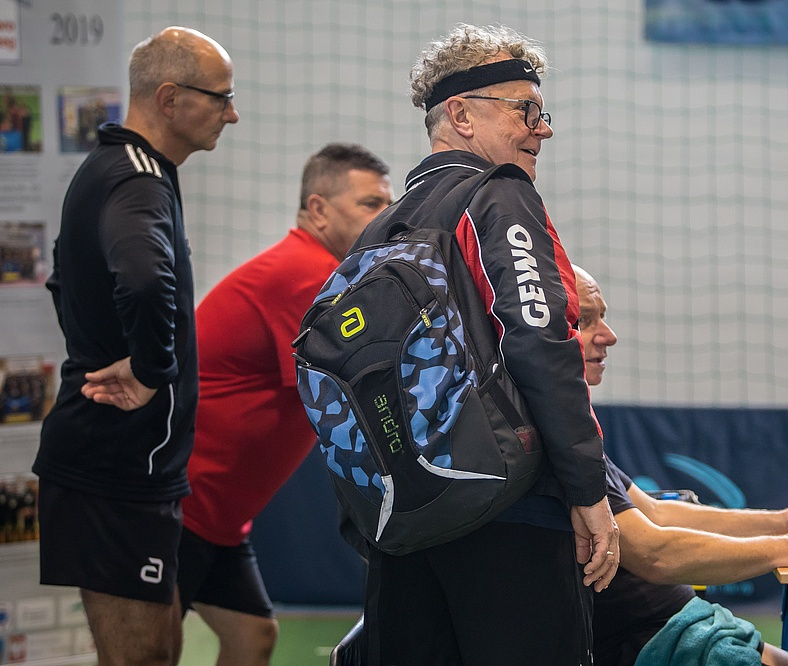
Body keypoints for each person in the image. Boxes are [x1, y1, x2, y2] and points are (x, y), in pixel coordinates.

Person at [351, 23, 619, 665]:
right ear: (462, 115)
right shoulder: (498, 193)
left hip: (406, 517)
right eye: (525, 110)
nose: (542, 129)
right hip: (507, 513)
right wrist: (588, 490)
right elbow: (540, 340)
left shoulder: (380, 227)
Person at [33, 27, 238, 666]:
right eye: (222, 97)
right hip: (115, 464)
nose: (232, 114)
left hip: (132, 465)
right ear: (170, 98)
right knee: (142, 658)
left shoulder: (122, 171)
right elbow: (144, 279)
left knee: (160, 651)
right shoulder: (136, 178)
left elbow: (64, 280)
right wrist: (151, 370)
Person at [572, 264, 788, 666]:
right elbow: (653, 553)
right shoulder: (558, 441)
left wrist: (785, 520)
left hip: (686, 625)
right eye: (585, 320)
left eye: (603, 317)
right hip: (659, 642)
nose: (609, 335)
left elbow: (656, 512)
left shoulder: (576, 429)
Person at [178, 143, 392, 665]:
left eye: (390, 204)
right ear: (318, 209)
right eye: (370, 204)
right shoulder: (306, 274)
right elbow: (362, 385)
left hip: (218, 517)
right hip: (176, 507)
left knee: (252, 638)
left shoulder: (329, 275)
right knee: (147, 650)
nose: (386, 217)